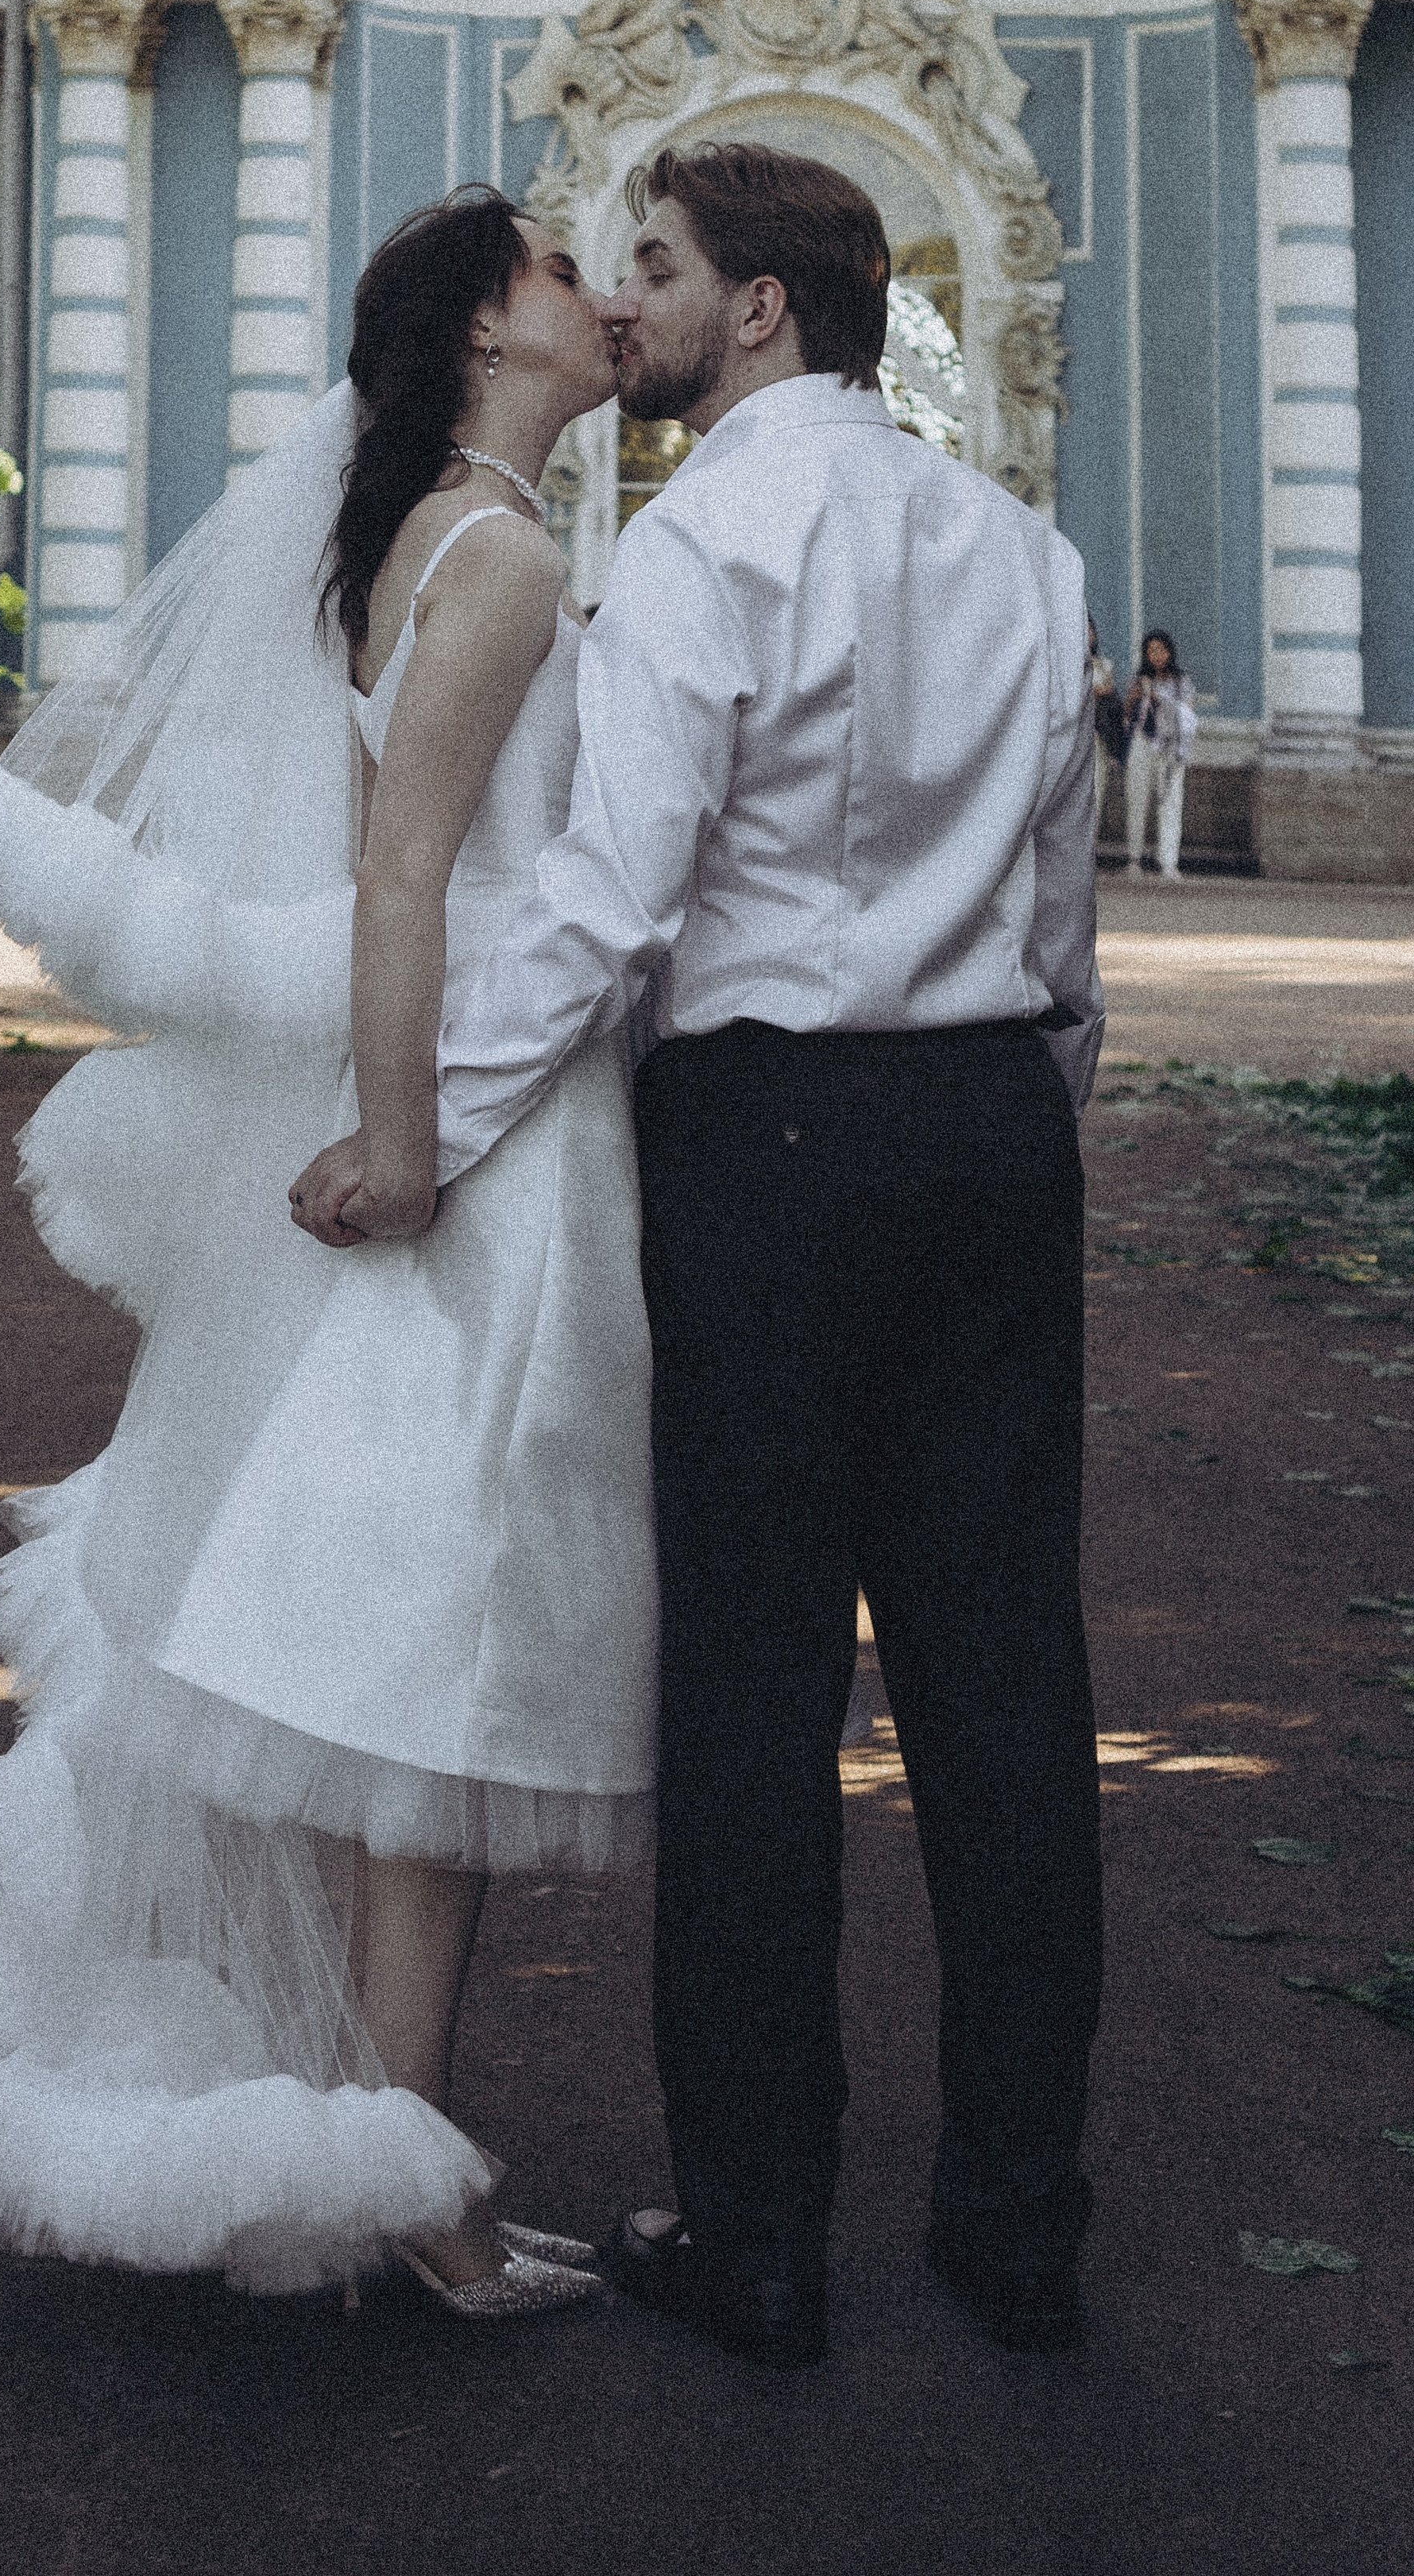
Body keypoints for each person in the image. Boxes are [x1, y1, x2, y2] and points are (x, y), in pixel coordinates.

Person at [296, 141, 1107, 2369]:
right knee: (1010, 1691)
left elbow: (607, 906)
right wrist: (1032, 1093)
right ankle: (1020, 2225)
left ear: (763, 312)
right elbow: (1061, 921)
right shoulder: (1024, 550)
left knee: (754, 1699)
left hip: (763, 1142)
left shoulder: (690, 546)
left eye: (651, 271)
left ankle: (757, 2240)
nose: (625, 307)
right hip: (986, 1135)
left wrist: (419, 1137)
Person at [0, 189, 657, 2315]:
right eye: (569, 271)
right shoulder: (497, 556)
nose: (606, 300)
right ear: (493, 327)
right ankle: (423, 2195)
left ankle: (388, 2141)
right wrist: (406, 1141)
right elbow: (405, 880)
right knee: (437, 1666)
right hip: (478, 1140)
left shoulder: (405, 540)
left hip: (446, 1107)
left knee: (373, 1656)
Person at [1122, 628, 1196, 878]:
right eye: (1151, 650)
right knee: (1137, 798)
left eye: (1161, 650)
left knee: (1170, 802)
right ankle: (1134, 858)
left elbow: (1186, 713)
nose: (1157, 656)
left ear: (1170, 652)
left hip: (1170, 747)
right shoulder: (1138, 677)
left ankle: (1169, 862)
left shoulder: (1180, 680)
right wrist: (1133, 697)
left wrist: (1158, 699)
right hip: (1142, 742)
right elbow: (1126, 715)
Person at [1088, 612, 1124, 838]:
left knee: (1097, 789)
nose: (1087, 635)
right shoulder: (1066, 663)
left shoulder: (1103, 665)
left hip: (1098, 735)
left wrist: (1106, 692)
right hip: (1074, 735)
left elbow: (1111, 699)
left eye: (1090, 630)